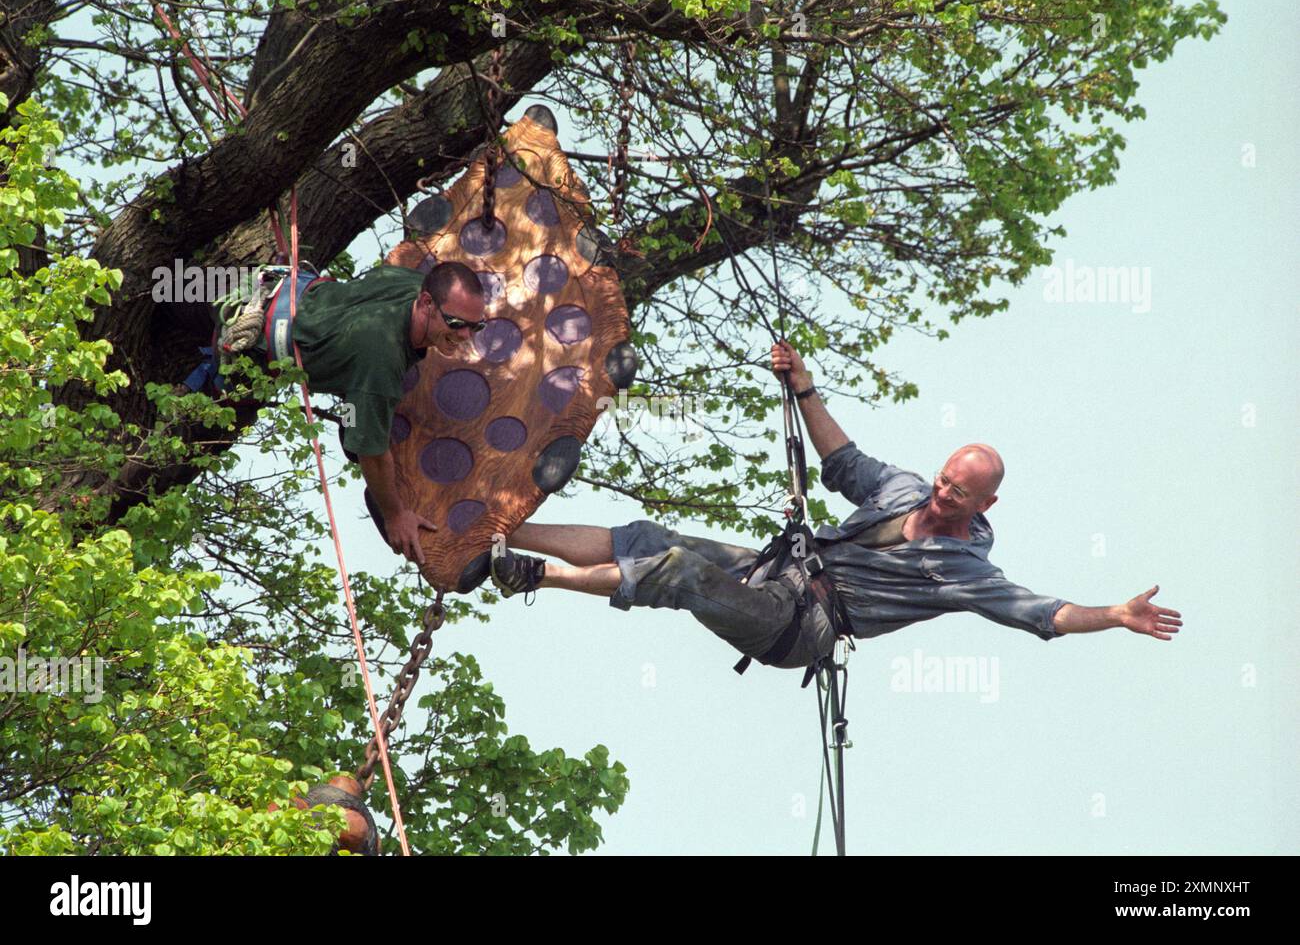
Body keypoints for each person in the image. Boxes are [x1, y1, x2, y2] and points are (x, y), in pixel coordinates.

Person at [487, 340, 1183, 669]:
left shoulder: (963, 567)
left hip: (803, 625)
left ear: (985, 503)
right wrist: (804, 387)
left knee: (677, 571)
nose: (942, 494)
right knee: (647, 534)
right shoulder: (906, 489)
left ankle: (534, 575)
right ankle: (507, 527)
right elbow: (843, 461)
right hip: (776, 569)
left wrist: (1114, 615)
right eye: (944, 479)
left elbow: (1045, 613)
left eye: (958, 492)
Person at [209, 261, 487, 565]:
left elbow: (382, 276)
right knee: (197, 431)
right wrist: (395, 515)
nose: (465, 336)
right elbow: (373, 454)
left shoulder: (412, 283)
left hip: (270, 288)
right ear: (426, 303)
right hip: (245, 340)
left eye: (476, 326)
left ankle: (352, 410)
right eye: (455, 324)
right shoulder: (381, 361)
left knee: (169, 284)